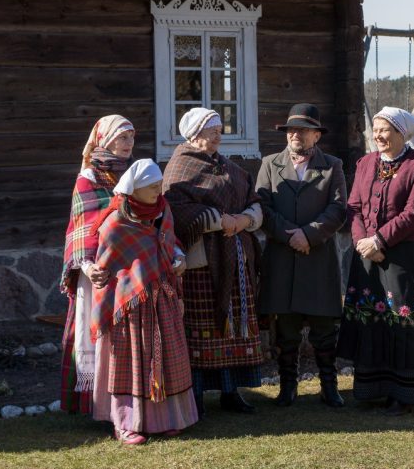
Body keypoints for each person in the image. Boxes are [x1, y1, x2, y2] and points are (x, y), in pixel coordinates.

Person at [337, 107, 414, 415]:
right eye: (375, 129)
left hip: (403, 255)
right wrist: (362, 242)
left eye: (385, 130)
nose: (378, 135)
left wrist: (380, 241)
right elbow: (355, 207)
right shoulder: (365, 163)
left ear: (402, 133)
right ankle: (371, 389)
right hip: (366, 254)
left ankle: (405, 393)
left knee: (403, 319)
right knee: (371, 318)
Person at [163, 107, 265, 416]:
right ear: (194, 134)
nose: (218, 134)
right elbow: (176, 208)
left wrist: (245, 219)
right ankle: (194, 393)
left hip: (235, 258)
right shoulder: (179, 167)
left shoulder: (229, 167)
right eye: (212, 129)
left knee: (236, 324)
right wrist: (222, 221)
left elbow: (254, 200)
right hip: (202, 263)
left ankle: (231, 391)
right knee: (203, 325)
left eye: (220, 128)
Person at [89, 159, 197, 444]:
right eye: (152, 187)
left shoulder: (162, 210)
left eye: (160, 185)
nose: (158, 191)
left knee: (168, 357)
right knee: (132, 361)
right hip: (131, 302)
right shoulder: (115, 220)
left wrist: (178, 258)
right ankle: (126, 422)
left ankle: (168, 419)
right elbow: (110, 261)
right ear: (135, 188)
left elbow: (169, 242)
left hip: (162, 294)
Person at [255, 104, 348, 408]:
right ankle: (288, 387)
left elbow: (337, 210)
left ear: (316, 135)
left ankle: (329, 386)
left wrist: (308, 235)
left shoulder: (333, 165)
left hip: (318, 257)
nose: (296, 135)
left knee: (324, 330)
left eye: (304, 130)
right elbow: (263, 208)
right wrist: (289, 236)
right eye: (291, 130)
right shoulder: (269, 164)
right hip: (282, 257)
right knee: (287, 329)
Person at [59, 114, 135, 415]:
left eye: (131, 138)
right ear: (105, 140)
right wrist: (88, 265)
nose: (128, 144)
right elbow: (83, 225)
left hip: (132, 266)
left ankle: (126, 400)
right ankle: (97, 404)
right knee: (100, 337)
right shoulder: (88, 179)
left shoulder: (134, 173)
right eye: (122, 137)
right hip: (100, 270)